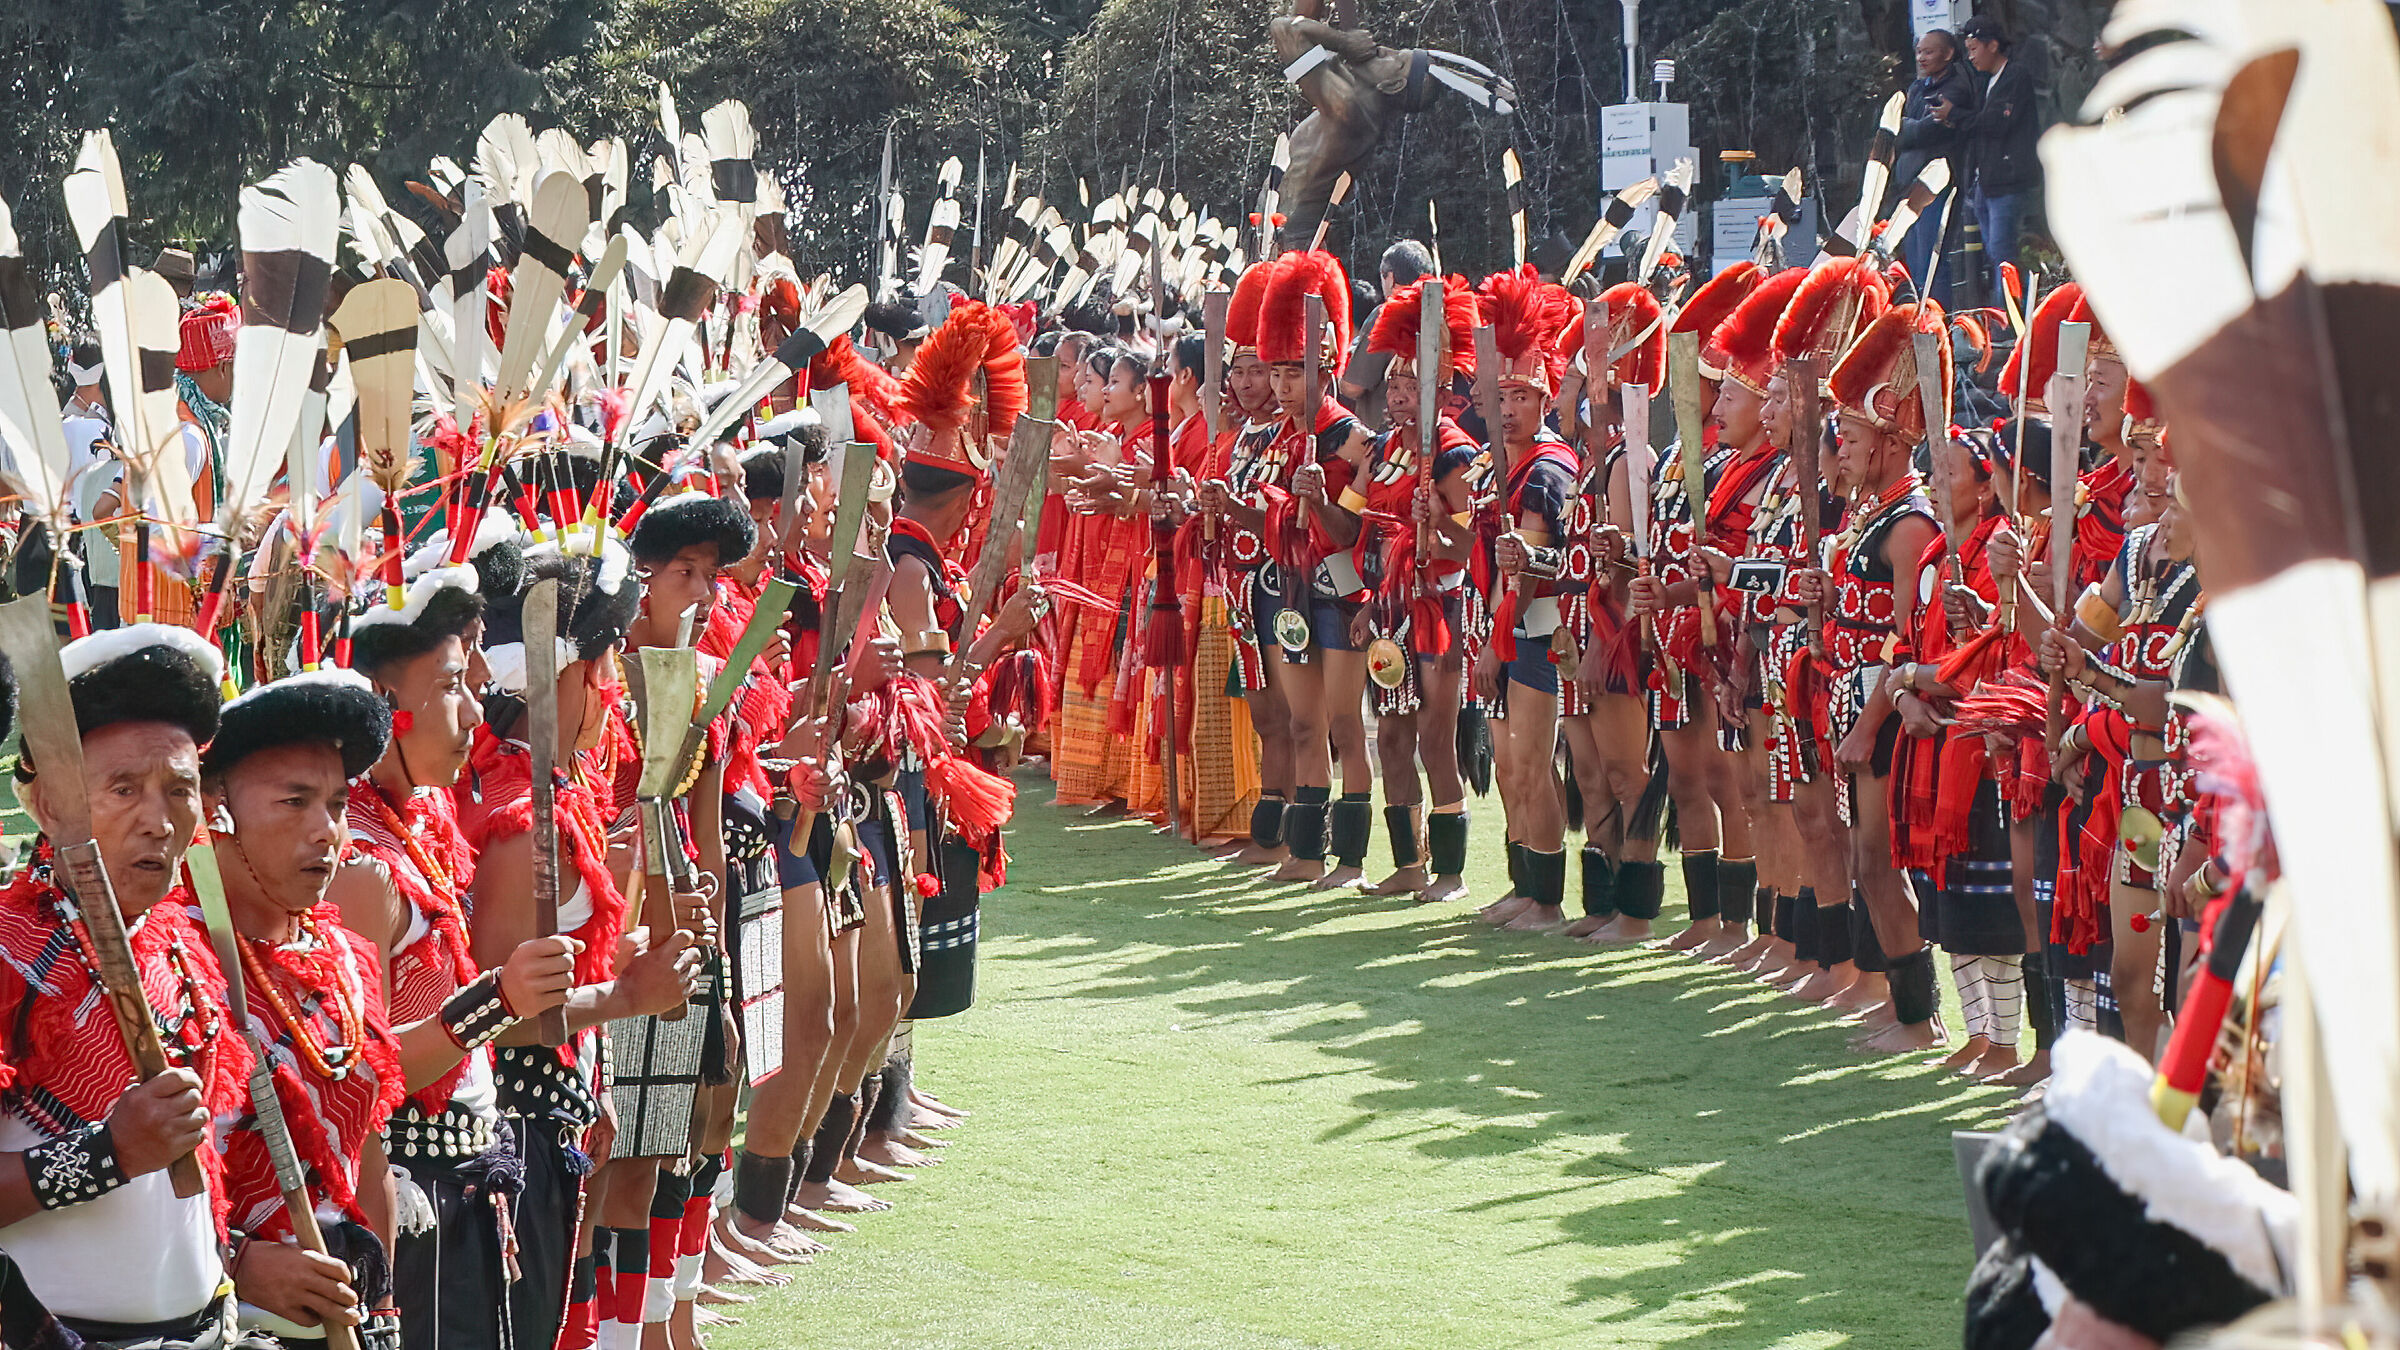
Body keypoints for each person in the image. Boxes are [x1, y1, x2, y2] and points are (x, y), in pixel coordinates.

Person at [0, 630, 248, 1348]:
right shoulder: (9, 953)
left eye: (180, 789)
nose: (159, 820)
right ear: (49, 806)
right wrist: (109, 1153)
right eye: (123, 789)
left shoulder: (185, 945)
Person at [1934, 14, 2040, 300]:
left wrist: (1954, 115)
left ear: (1992, 45)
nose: (1970, 58)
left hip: (2007, 181)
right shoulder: (1988, 82)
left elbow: (1995, 122)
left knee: (2003, 254)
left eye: (1973, 49)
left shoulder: (2015, 76)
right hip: (1986, 181)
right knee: (1993, 253)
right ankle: (2003, 318)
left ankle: (2009, 321)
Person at [1895, 29, 1977, 306]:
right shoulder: (1918, 87)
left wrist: (1908, 127)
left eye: (1929, 52)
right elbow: (1897, 127)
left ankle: (1936, 326)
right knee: (1915, 263)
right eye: (1919, 51)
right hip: (1909, 184)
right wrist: (1909, 127)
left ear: (1948, 53)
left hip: (1935, 185)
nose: (1921, 58)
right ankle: (1917, 325)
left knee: (1932, 261)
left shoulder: (1956, 87)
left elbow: (1926, 131)